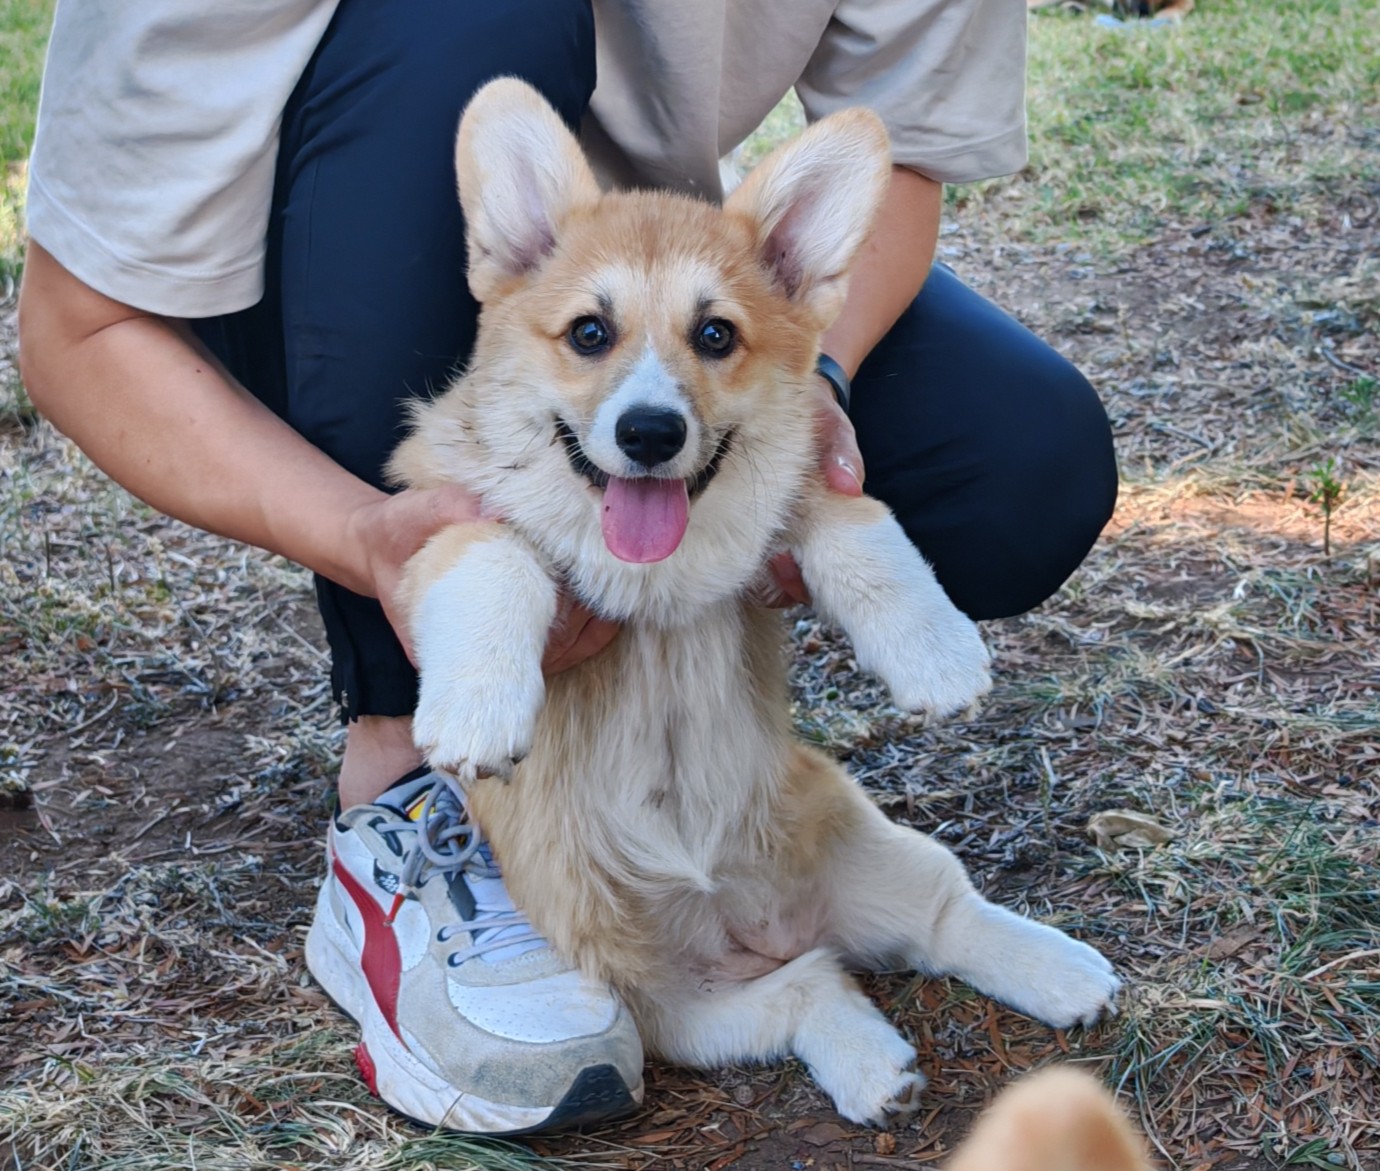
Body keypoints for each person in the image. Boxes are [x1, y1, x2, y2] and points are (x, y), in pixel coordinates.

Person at [18, 0, 1117, 1136]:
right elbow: (76, 329)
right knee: (477, 15)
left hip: (658, 256)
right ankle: (412, 792)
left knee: (1019, 461)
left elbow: (901, 158)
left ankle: (664, 747)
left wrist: (814, 392)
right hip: (319, 272)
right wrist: (368, 537)